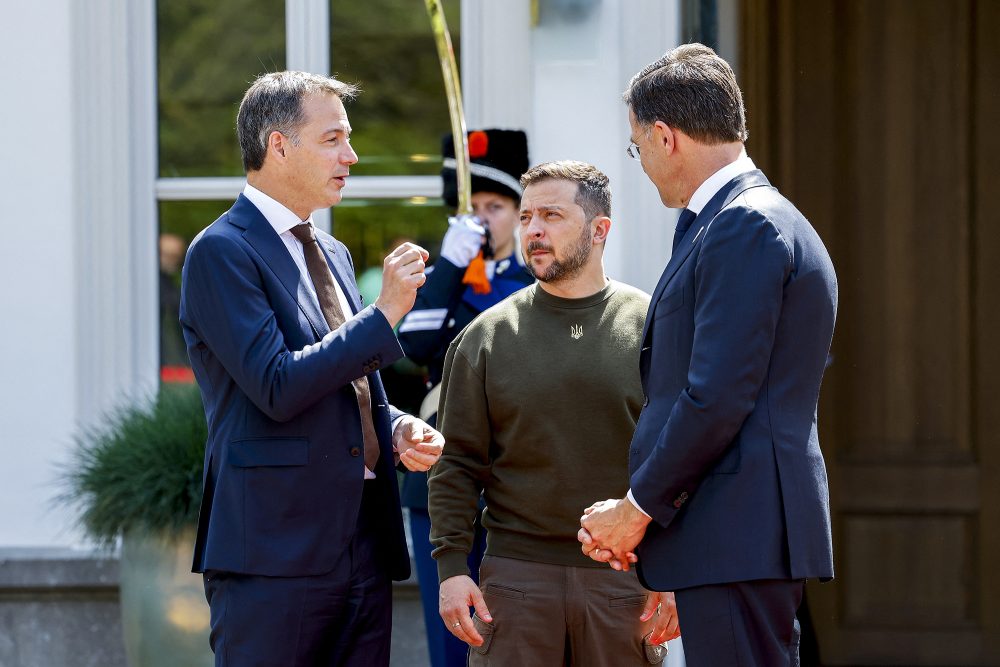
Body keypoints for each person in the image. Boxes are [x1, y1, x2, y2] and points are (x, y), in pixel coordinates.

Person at [577, 43, 838, 667]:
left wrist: (636, 510)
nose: (638, 162)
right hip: (730, 533)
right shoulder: (738, 220)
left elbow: (717, 394)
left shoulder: (745, 225)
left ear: (665, 136)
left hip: (736, 531)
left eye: (636, 146)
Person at [179, 71, 444, 667]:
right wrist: (384, 315)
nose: (351, 156)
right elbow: (276, 384)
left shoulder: (332, 251)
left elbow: (345, 380)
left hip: (362, 546)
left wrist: (394, 426)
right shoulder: (220, 251)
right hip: (273, 555)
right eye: (333, 139)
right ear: (279, 145)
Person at [429, 160, 680, 666]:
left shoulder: (656, 328)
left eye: (551, 215)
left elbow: (681, 460)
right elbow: (455, 462)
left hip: (626, 581)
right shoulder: (484, 337)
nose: (533, 230)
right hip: (515, 586)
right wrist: (453, 568)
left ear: (599, 228)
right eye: (525, 217)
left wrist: (676, 573)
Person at [396, 129, 534, 667]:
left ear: (520, 213)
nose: (481, 218)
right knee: (452, 644)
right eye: (471, 206)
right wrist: (448, 268)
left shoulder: (532, 278)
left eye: (494, 206)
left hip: (512, 478)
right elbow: (414, 342)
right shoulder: (444, 279)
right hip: (440, 476)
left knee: (515, 635)